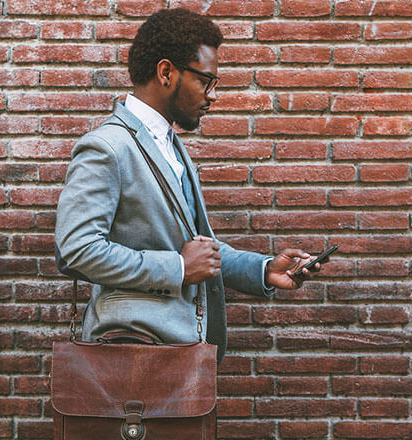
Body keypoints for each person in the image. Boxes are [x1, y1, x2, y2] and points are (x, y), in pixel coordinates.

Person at [54, 8, 322, 364]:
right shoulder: (108, 148)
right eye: (205, 81)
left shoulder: (169, 145)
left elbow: (195, 251)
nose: (213, 95)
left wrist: (264, 269)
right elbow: (77, 251)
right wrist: (177, 269)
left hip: (178, 355)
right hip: (131, 356)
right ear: (166, 73)